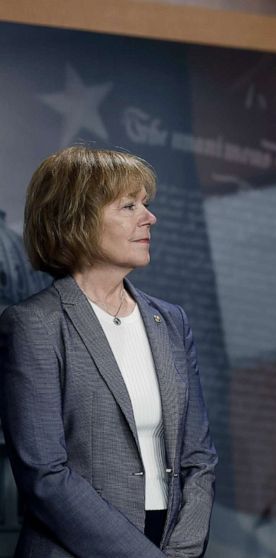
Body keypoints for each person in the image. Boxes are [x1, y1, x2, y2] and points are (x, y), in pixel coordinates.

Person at [0, 146, 217, 557]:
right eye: (129, 205)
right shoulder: (35, 325)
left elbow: (199, 460)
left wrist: (181, 553)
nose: (149, 218)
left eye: (146, 205)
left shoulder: (171, 321)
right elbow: (46, 477)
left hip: (167, 544)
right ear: (76, 218)